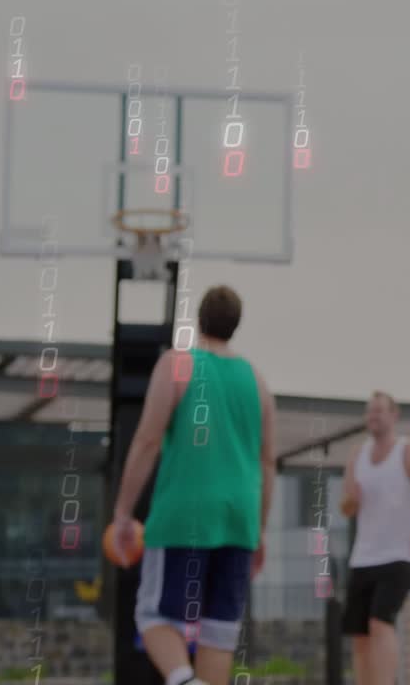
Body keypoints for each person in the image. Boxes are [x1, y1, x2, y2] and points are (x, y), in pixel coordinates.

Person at [112, 285, 278, 685]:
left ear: (198, 318)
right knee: (218, 632)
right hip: (239, 518)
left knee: (153, 617)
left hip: (184, 513)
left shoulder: (177, 365)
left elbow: (147, 440)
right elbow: (267, 462)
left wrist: (122, 512)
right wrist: (259, 530)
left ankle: (184, 680)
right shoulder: (257, 381)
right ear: (236, 325)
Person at [339, 391, 410, 685]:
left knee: (380, 622)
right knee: (359, 633)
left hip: (401, 554)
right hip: (364, 556)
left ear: (394, 415)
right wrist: (351, 500)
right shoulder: (357, 455)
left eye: (379, 411)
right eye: (369, 411)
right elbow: (347, 507)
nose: (373, 416)